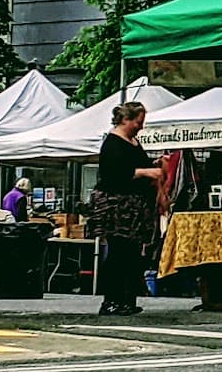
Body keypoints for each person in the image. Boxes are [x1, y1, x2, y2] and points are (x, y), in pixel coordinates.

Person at [90, 101, 162, 316]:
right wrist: (145, 172)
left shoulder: (133, 142)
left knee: (132, 253)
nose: (141, 126)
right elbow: (113, 174)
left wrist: (156, 164)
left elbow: (140, 163)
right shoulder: (112, 143)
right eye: (138, 122)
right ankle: (111, 300)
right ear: (125, 120)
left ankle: (127, 299)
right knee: (118, 252)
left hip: (135, 206)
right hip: (117, 206)